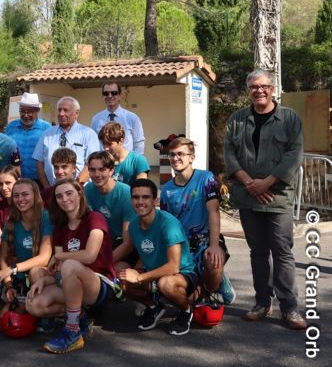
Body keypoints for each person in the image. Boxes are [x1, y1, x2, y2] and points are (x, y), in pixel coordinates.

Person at [223, 69, 306, 330]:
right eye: (254, 87)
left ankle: (289, 308)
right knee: (258, 252)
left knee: (282, 252)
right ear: (248, 90)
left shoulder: (289, 118)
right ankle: (262, 302)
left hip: (277, 196)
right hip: (248, 196)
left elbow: (294, 154)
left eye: (264, 86)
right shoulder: (237, 120)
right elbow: (229, 154)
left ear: (273, 89)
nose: (259, 90)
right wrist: (250, 183)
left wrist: (266, 183)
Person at [25, 179, 115, 354]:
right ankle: (80, 317)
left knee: (70, 264)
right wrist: (45, 280)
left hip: (99, 286)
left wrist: (58, 255)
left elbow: (89, 255)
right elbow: (59, 269)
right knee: (34, 304)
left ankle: (72, 331)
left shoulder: (95, 218)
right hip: (72, 281)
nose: (64, 199)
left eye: (69, 193)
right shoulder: (60, 228)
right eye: (59, 196)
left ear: (80, 194)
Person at [118, 179, 198, 336]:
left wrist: (139, 277)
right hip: (153, 271)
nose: (140, 202)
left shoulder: (169, 224)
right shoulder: (133, 225)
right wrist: (132, 274)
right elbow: (145, 253)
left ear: (155, 200)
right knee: (122, 278)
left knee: (166, 284)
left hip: (181, 273)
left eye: (146, 197)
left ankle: (186, 310)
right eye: (136, 197)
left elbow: (173, 266)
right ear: (131, 200)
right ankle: (154, 307)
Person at [160, 137, 235, 305]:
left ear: (192, 157)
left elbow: (213, 211)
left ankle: (213, 287)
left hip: (206, 239)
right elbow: (166, 224)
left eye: (180, 154)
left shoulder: (206, 178)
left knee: (213, 262)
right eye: (172, 155)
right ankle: (203, 291)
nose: (175, 158)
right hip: (182, 245)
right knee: (170, 288)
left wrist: (214, 246)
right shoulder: (166, 190)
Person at [0, 179, 52, 323]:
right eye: (16, 195)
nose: (20, 199)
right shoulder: (12, 221)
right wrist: (8, 285)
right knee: (3, 321)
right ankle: (20, 300)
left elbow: (44, 258)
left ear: (35, 196)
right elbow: (3, 258)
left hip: (44, 274)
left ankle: (49, 313)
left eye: (25, 194)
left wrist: (12, 270)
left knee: (35, 271)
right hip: (19, 277)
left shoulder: (46, 217)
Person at [32, 96, 101, 188]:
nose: (61, 113)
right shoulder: (47, 133)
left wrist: (76, 186)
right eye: (59, 110)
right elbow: (39, 162)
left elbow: (92, 163)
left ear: (76, 113)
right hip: (52, 189)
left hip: (80, 189)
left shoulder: (88, 134)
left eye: (66, 110)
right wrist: (47, 188)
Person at [84, 151, 136, 271]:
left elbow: (128, 244)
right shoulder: (89, 189)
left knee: (117, 271)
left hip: (124, 245)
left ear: (111, 170)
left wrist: (102, 263)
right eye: (92, 170)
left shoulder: (126, 193)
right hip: (102, 243)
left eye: (102, 169)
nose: (97, 174)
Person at [4, 93, 51, 182]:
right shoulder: (11, 127)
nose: (25, 115)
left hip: (39, 180)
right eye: (22, 111)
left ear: (37, 111)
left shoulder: (47, 128)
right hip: (15, 179)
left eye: (30, 112)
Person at [91, 82, 145, 154]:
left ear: (120, 95)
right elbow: (93, 143)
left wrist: (135, 162)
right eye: (106, 93)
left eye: (114, 93)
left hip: (126, 162)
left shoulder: (132, 118)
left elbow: (139, 143)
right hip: (104, 162)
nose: (110, 96)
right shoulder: (96, 119)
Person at [0, 165, 20, 244]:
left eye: (8, 183)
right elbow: (0, 236)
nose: (4, 187)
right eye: (0, 184)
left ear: (18, 181)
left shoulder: (28, 205)